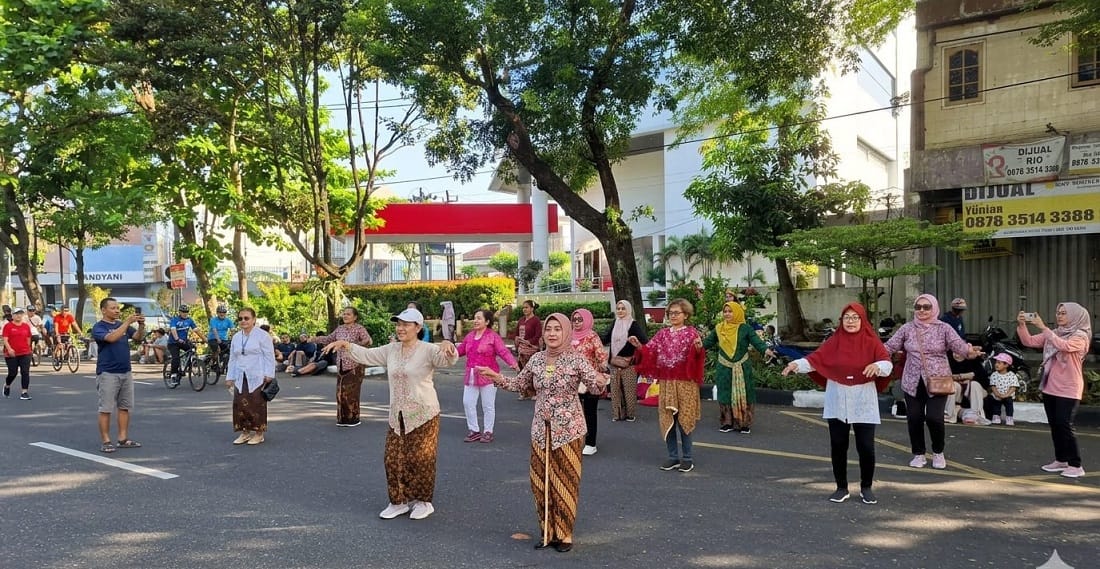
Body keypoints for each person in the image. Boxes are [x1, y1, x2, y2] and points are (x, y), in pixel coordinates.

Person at [476, 313, 605, 553]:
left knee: (565, 482)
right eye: (549, 329)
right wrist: (497, 378)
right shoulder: (536, 360)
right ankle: (547, 532)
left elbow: (595, 384)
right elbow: (519, 385)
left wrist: (601, 379)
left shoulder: (576, 359)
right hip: (540, 430)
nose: (552, 333)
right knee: (540, 482)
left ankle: (564, 534)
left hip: (569, 431)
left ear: (565, 332)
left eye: (557, 329)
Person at [322, 308, 458, 520]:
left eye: (406, 324)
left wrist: (449, 347)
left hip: (424, 413)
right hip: (398, 415)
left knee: (421, 459)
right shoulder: (391, 349)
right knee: (392, 459)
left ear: (418, 328)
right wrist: (346, 345)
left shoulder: (428, 349)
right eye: (398, 324)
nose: (401, 328)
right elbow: (368, 355)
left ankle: (423, 502)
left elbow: (446, 360)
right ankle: (398, 502)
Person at [782, 303, 892, 505]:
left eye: (855, 317)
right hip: (837, 399)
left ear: (862, 320)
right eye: (846, 317)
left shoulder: (872, 341)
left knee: (866, 447)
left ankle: (866, 487)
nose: (851, 321)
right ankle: (841, 487)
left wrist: (877, 366)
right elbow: (816, 359)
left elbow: (887, 363)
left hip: (863, 400)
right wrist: (796, 364)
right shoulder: (834, 341)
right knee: (838, 446)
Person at [884, 294, 982, 470]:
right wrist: (871, 354)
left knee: (934, 418)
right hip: (912, 381)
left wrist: (970, 351)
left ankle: (938, 452)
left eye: (926, 307)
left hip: (938, 380)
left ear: (934, 308)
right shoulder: (907, 328)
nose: (921, 310)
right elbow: (889, 346)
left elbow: (958, 345)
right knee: (914, 417)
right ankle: (919, 454)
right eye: (918, 307)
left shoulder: (944, 328)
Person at [628, 298, 707, 472]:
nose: (673, 316)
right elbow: (650, 351)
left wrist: (699, 349)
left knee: (684, 420)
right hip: (666, 382)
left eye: (676, 313)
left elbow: (697, 356)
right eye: (670, 313)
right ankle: (673, 457)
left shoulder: (691, 333)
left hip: (685, 384)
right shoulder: (662, 334)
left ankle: (687, 458)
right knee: (668, 419)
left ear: (685, 315)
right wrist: (639, 347)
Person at [1017, 303, 1091, 478]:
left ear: (1075, 316)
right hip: (1050, 386)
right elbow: (1029, 341)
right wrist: (1022, 325)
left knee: (1065, 425)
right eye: (1058, 312)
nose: (1059, 316)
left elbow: (1064, 346)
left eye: (1064, 313)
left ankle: (1076, 464)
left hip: (1069, 388)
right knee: (1055, 425)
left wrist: (1043, 327)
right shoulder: (1055, 332)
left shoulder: (1081, 336)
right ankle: (1061, 459)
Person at [702, 301, 775, 433]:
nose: (727, 314)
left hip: (742, 366)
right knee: (725, 393)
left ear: (737, 312)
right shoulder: (719, 328)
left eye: (730, 311)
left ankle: (744, 423)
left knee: (745, 393)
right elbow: (707, 343)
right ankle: (727, 422)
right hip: (724, 366)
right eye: (725, 311)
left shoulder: (745, 328)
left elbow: (756, 341)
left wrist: (766, 350)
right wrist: (694, 347)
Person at [91, 297, 146, 453]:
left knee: (124, 407)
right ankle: (106, 441)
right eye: (113, 308)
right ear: (103, 310)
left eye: (117, 308)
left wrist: (141, 326)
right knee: (106, 408)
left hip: (125, 371)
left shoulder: (120, 325)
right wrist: (127, 322)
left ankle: (123, 438)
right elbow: (111, 338)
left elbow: (138, 338)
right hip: (108, 372)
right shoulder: (99, 327)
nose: (117, 310)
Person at [456, 308, 518, 443]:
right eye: (475, 317)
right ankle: (474, 431)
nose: (475, 320)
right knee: (467, 402)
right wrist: (447, 352)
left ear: (487, 321)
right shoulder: (470, 336)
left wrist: (513, 363)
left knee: (488, 405)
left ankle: (488, 431)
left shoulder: (493, 336)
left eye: (479, 318)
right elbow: (459, 351)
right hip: (471, 375)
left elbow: (503, 351)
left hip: (489, 376)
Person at [308, 307, 373, 426]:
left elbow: (368, 341)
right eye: (344, 314)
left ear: (355, 317)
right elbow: (328, 339)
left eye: (348, 314)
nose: (345, 316)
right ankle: (342, 419)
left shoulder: (359, 328)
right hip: (341, 363)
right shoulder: (340, 329)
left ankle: (353, 419)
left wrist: (353, 346)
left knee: (351, 393)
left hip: (355, 364)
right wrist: (314, 339)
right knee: (340, 393)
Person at [225, 308, 276, 446]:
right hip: (240, 374)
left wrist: (269, 374)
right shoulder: (236, 337)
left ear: (254, 319)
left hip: (257, 374)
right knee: (240, 404)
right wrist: (229, 377)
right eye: (240, 318)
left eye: (246, 318)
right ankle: (245, 432)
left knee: (256, 404)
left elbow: (269, 356)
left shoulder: (262, 336)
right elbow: (233, 358)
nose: (243, 321)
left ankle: (259, 433)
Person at [601, 299, 647, 422]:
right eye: (618, 308)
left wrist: (634, 343)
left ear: (628, 310)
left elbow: (644, 341)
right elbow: (605, 339)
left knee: (629, 390)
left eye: (623, 308)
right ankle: (617, 414)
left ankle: (630, 414)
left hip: (629, 363)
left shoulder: (633, 324)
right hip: (614, 362)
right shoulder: (615, 323)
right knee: (615, 390)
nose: (620, 311)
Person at [569, 308, 607, 456]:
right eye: (575, 319)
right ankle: (575, 439)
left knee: (590, 412)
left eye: (580, 319)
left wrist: (603, 369)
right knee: (572, 412)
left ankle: (591, 443)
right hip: (571, 380)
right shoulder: (568, 335)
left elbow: (601, 356)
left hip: (590, 380)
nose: (577, 322)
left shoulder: (592, 336)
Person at [2, 308, 34, 400]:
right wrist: (9, 349)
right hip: (11, 354)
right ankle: (7, 385)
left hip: (25, 353)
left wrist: (28, 349)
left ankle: (24, 392)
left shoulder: (26, 326)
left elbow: (28, 339)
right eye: (16, 314)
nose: (18, 316)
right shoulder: (8, 326)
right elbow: (5, 340)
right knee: (13, 373)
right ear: (12, 315)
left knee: (25, 372)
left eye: (20, 314)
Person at [515, 300, 542, 400]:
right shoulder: (521, 320)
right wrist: (517, 340)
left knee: (532, 371)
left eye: (526, 307)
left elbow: (538, 334)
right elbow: (516, 333)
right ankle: (523, 392)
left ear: (532, 308)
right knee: (521, 371)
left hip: (531, 349)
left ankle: (534, 392)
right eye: (523, 307)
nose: (524, 309)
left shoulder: (536, 320)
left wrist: (528, 342)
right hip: (521, 349)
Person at [166, 305, 198, 386]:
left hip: (183, 342)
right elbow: (173, 330)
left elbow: (196, 330)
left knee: (192, 349)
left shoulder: (189, 320)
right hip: (173, 343)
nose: (185, 313)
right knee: (176, 358)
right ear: (179, 312)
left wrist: (205, 339)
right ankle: (173, 375)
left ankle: (188, 365)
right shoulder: (175, 320)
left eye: (186, 312)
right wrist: (177, 339)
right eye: (183, 312)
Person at [986, 353, 1019, 426]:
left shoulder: (1011, 375)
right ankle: (996, 416)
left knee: (1009, 404)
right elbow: (993, 386)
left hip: (1008, 395)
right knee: (996, 404)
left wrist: (1006, 395)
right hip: (997, 395)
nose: (996, 364)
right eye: (996, 362)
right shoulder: (994, 375)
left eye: (999, 363)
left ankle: (1009, 417)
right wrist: (997, 394)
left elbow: (1013, 387)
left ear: (1006, 365)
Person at [207, 305, 235, 369]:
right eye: (220, 312)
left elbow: (232, 330)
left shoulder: (228, 321)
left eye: (223, 312)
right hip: (213, 338)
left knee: (229, 350)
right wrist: (218, 338)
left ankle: (222, 363)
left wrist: (233, 339)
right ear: (217, 313)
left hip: (223, 339)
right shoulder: (213, 320)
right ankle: (212, 361)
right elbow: (214, 330)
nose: (222, 314)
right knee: (217, 349)